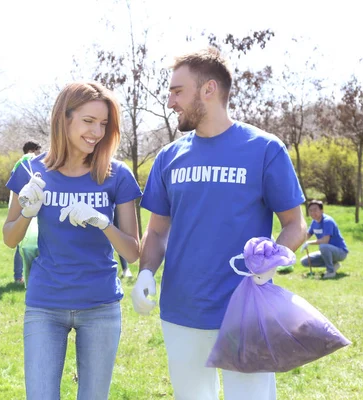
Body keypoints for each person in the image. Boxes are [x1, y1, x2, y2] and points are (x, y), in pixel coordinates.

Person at [130, 48, 307, 400]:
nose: (170, 101)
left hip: (246, 311)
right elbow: (158, 230)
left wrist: (271, 259)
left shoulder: (265, 149)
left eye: (177, 91)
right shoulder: (168, 157)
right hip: (181, 310)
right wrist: (146, 272)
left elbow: (295, 226)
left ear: (209, 89)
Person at [3, 82, 141, 400]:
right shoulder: (30, 170)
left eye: (104, 124)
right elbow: (10, 239)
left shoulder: (117, 175)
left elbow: (133, 253)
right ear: (64, 119)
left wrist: (104, 223)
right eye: (88, 121)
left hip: (100, 305)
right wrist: (26, 213)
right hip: (45, 304)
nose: (97, 132)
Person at [12, 140, 42, 284]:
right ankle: (20, 276)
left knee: (21, 243)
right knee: (23, 243)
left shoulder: (19, 163)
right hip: (27, 205)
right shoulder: (27, 161)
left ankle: (19, 275)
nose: (39, 154)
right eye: (38, 151)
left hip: (22, 205)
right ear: (32, 150)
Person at [300, 199, 349, 279]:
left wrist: (309, 243)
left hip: (340, 252)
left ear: (322, 210)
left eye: (315, 210)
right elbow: (307, 235)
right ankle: (333, 265)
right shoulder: (314, 222)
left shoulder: (327, 221)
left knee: (323, 246)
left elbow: (325, 240)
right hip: (327, 251)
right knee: (305, 261)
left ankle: (330, 271)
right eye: (310, 211)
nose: (313, 213)